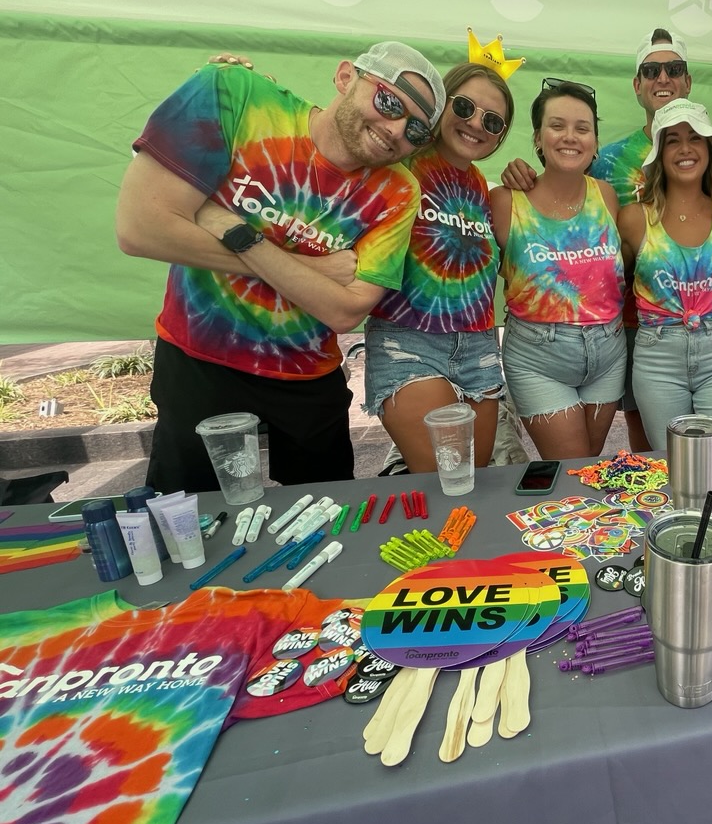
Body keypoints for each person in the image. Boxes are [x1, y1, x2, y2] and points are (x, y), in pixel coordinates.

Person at [116, 42, 444, 494]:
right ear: (346, 77)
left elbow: (348, 311)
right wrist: (314, 268)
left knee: (327, 521)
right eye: (389, 102)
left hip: (309, 378)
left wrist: (226, 223)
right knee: (191, 520)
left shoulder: (399, 191)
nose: (395, 130)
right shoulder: (235, 93)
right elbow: (141, 229)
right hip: (199, 359)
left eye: (417, 131)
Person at [503, 28, 712, 452]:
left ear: (688, 81)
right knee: (657, 461)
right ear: (637, 84)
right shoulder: (607, 167)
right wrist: (522, 174)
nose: (662, 78)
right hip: (634, 337)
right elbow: (562, 193)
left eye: (674, 69)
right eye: (651, 71)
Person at [362, 62, 515, 472]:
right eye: (464, 106)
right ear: (442, 103)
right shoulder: (397, 163)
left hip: (479, 346)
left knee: (471, 480)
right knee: (452, 474)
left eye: (492, 120)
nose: (475, 123)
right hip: (408, 340)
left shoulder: (484, 187)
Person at [490, 79, 625, 459]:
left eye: (583, 128)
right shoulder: (504, 201)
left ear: (595, 142)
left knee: (588, 465)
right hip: (539, 358)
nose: (570, 137)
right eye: (557, 125)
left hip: (609, 353)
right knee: (573, 467)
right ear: (537, 137)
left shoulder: (607, 196)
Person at [618, 98, 712, 449]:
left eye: (695, 137)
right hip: (657, 357)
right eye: (672, 140)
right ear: (659, 153)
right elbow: (616, 289)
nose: (685, 148)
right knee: (672, 473)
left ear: (709, 147)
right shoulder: (633, 219)